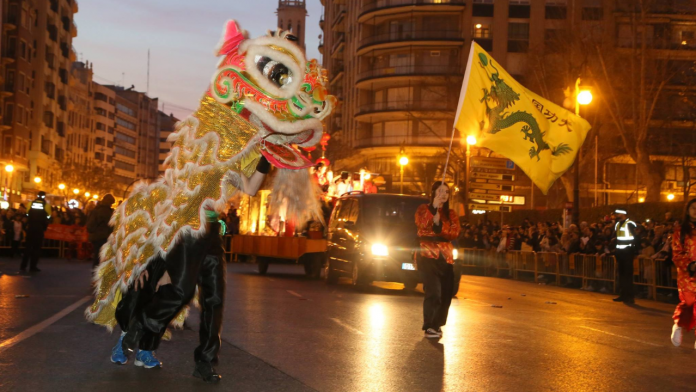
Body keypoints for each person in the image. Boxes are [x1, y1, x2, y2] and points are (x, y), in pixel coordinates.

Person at [415, 181, 460, 338]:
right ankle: (429, 325)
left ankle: (437, 324)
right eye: (440, 191)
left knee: (446, 293)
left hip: (446, 257)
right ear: (433, 193)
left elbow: (454, 233)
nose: (443, 195)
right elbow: (422, 226)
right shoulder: (423, 209)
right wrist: (433, 210)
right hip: (427, 255)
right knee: (434, 291)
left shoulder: (452, 214)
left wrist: (439, 225)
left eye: (446, 192)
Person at [670, 199, 696, 348]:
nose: (695, 210)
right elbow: (677, 252)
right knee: (688, 302)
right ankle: (679, 325)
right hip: (688, 273)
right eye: (693, 207)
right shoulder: (680, 231)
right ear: (687, 210)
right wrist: (690, 265)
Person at [20, 191, 50, 272]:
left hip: (31, 228)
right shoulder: (46, 205)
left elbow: (27, 213)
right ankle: (33, 267)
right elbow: (48, 216)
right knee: (36, 249)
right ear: (44, 196)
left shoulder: (31, 203)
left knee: (28, 248)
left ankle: (23, 266)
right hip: (39, 228)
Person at [613, 209, 639, 304]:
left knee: (628, 275)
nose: (616, 215)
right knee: (621, 274)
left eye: (617, 213)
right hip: (620, 252)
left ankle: (630, 296)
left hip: (628, 251)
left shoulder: (630, 223)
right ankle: (623, 295)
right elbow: (617, 237)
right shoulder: (618, 224)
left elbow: (636, 237)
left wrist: (635, 251)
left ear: (623, 213)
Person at [86, 194, 116, 268]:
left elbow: (89, 225)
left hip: (95, 236)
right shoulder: (106, 211)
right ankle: (98, 273)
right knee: (101, 256)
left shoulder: (96, 210)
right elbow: (111, 225)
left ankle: (95, 272)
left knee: (97, 255)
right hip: (103, 236)